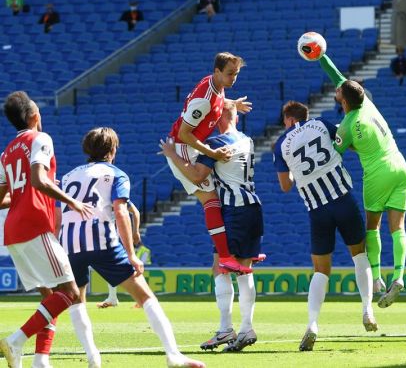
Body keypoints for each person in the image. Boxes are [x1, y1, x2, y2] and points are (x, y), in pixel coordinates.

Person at [59, 127, 205, 368]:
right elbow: (120, 212)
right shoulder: (116, 174)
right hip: (102, 240)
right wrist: (131, 255)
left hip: (69, 244)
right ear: (112, 150)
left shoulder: (68, 177)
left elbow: (57, 218)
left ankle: (92, 356)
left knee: (77, 300)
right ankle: (173, 355)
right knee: (145, 296)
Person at [0, 91, 94, 368]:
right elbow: (40, 180)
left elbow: (2, 198)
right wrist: (72, 201)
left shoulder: (6, 153)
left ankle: (41, 359)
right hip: (34, 225)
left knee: (50, 298)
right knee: (71, 293)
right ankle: (16, 340)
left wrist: (20, 196)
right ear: (34, 116)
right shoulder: (41, 139)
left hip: (13, 231)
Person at [273, 101, 375, 351]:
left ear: (288, 119)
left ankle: (313, 324)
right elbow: (346, 145)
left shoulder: (281, 145)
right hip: (342, 198)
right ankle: (367, 310)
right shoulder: (321, 125)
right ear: (306, 115)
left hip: (317, 210)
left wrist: (298, 171)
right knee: (359, 256)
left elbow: (285, 186)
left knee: (320, 269)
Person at [160, 104, 261, 353]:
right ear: (236, 117)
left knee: (221, 267)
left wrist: (172, 154)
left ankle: (228, 327)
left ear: (216, 119)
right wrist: (229, 105)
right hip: (253, 207)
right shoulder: (247, 140)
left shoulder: (216, 141)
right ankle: (245, 327)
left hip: (233, 210)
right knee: (244, 269)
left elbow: (196, 175)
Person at [316, 52, 406, 308]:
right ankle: (399, 276)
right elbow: (338, 77)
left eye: (338, 94)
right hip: (400, 166)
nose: (336, 94)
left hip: (377, 173)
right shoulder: (367, 103)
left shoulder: (346, 125)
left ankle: (378, 278)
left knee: (373, 227)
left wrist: (321, 55)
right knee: (398, 227)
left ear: (344, 100)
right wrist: (322, 55)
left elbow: (337, 151)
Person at [167, 52, 252, 275]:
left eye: (237, 74)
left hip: (191, 145)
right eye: (230, 74)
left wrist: (232, 103)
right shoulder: (203, 100)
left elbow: (218, 100)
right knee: (211, 200)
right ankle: (224, 256)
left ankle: (236, 249)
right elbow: (185, 134)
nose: (234, 78)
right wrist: (212, 153)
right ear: (217, 72)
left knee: (223, 195)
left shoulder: (215, 85)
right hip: (183, 147)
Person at [96, 200, 143, 309]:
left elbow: (135, 212)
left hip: (119, 238)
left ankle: (142, 298)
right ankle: (112, 298)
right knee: (109, 266)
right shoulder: (100, 197)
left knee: (131, 267)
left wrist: (136, 232)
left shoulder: (117, 197)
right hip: (108, 238)